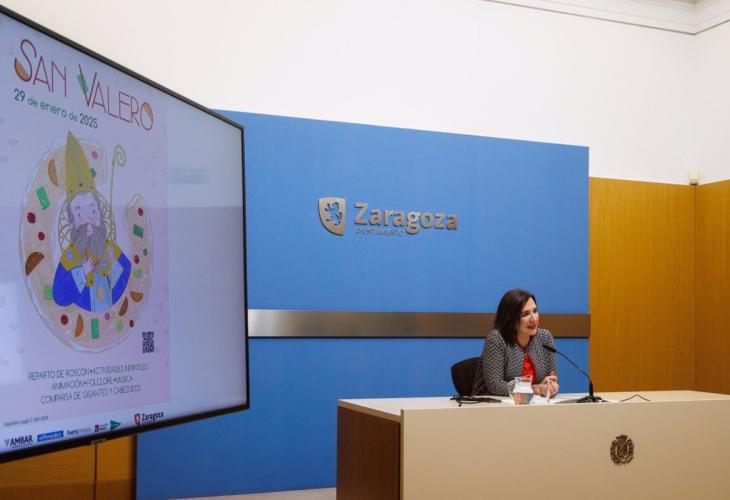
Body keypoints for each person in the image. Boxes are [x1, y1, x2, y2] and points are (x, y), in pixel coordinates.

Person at [472, 289, 559, 397]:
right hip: (493, 404)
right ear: (510, 318)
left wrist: (551, 386)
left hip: (534, 404)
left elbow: (552, 379)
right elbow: (495, 386)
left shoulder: (545, 338)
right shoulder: (497, 339)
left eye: (535, 311)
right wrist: (535, 389)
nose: (533, 319)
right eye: (525, 314)